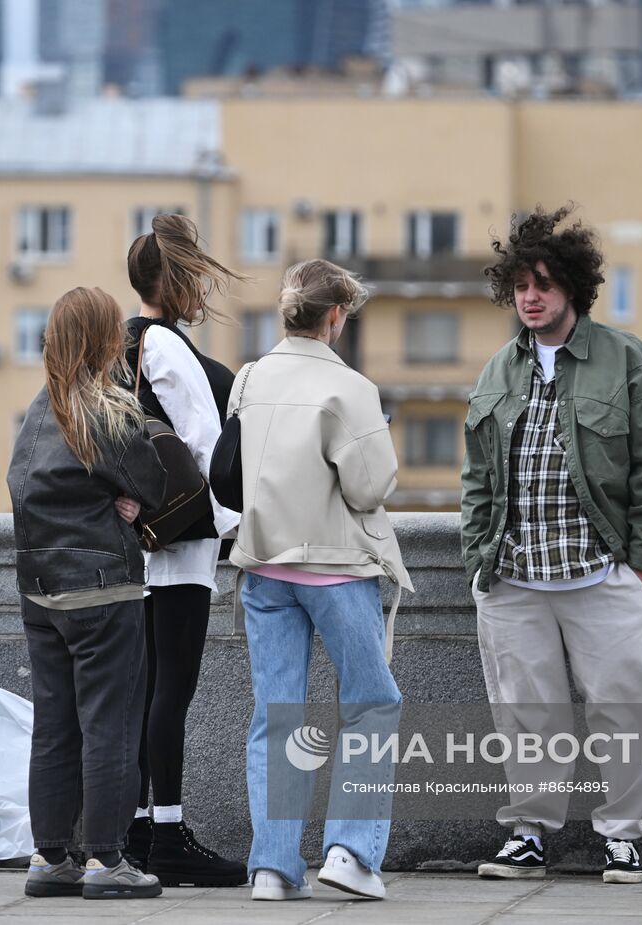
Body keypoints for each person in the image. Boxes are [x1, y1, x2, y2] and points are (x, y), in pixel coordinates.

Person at [461, 206, 642, 884]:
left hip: (600, 573)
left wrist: (641, 559)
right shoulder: (500, 369)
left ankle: (622, 836)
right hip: (515, 577)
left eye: (544, 284)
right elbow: (476, 473)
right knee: (525, 713)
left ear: (572, 288)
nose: (532, 297)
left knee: (630, 707)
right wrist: (480, 557)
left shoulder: (626, 360)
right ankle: (528, 833)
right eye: (521, 286)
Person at [229, 258, 412, 902]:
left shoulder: (249, 378)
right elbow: (369, 486)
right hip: (334, 568)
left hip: (264, 568)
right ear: (335, 316)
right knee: (370, 704)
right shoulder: (351, 390)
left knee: (278, 715)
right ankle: (350, 851)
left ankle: (274, 868)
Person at [7, 286, 168, 900]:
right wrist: (120, 502)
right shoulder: (107, 409)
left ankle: (51, 858)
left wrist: (108, 497)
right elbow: (151, 480)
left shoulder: (38, 409)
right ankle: (106, 860)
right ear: (108, 341)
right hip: (102, 590)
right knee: (112, 725)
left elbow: (26, 486)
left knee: (53, 726)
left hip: (41, 591)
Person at [122, 213, 247, 886]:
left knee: (148, 691)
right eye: (196, 277)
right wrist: (232, 523)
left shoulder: (127, 340)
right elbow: (204, 445)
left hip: (139, 544)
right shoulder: (167, 346)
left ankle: (141, 828)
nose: (202, 290)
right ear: (175, 281)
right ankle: (167, 833)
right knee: (173, 688)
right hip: (182, 543)